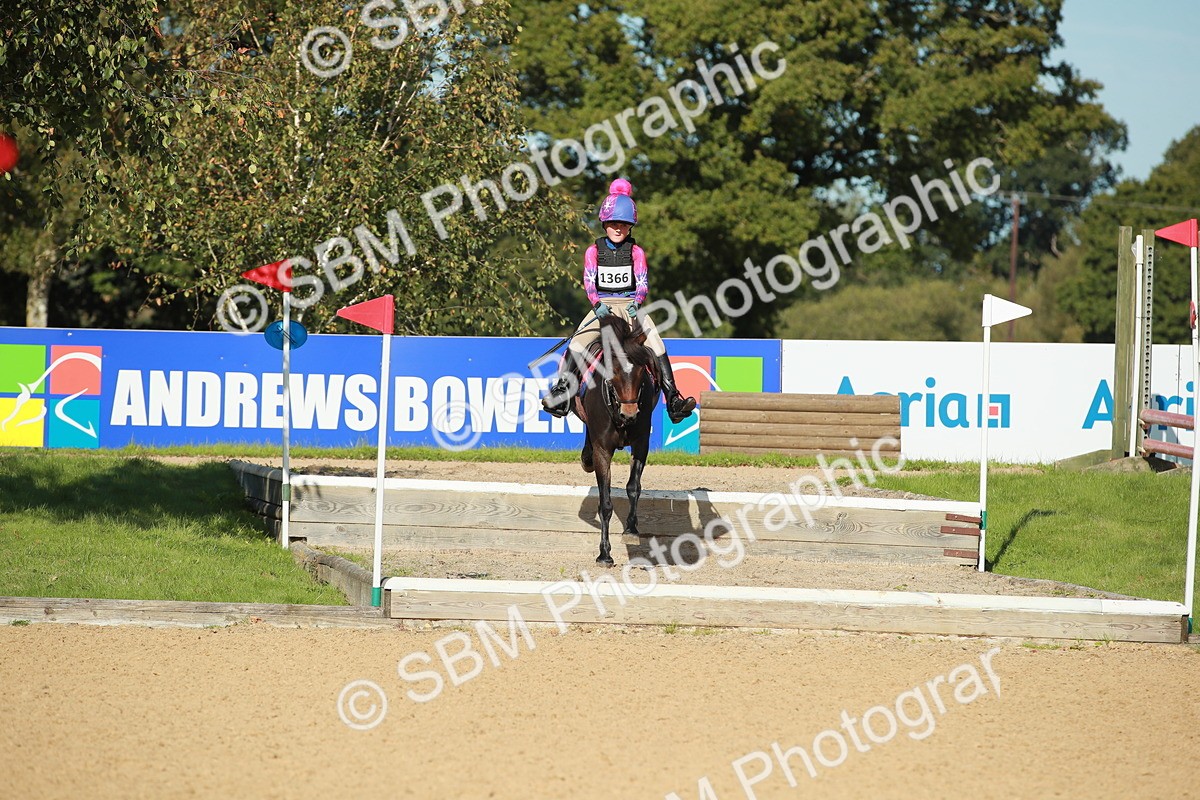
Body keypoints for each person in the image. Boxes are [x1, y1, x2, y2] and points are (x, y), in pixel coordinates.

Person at [541, 178, 698, 424]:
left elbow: (642, 282)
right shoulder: (593, 251)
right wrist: (596, 304)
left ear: (630, 227)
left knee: (656, 343)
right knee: (578, 343)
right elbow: (589, 281)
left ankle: (673, 399)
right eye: (614, 224)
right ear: (605, 224)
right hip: (602, 307)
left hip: (630, 306)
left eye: (623, 225)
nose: (618, 229)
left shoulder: (636, 252)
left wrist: (638, 301)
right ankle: (562, 392)